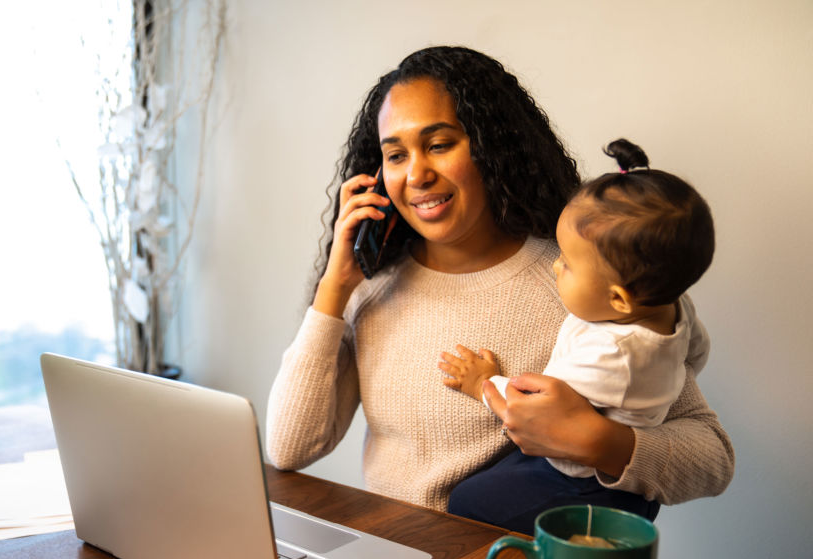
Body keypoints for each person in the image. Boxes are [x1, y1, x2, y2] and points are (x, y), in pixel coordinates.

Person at [265, 46, 733, 524]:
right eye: (396, 155)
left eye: (440, 144)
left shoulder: (584, 284)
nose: (417, 174)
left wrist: (596, 441)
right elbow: (290, 448)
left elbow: (712, 458)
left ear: (490, 146)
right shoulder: (369, 292)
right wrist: (334, 289)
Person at [440, 139, 714, 531]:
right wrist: (661, 385)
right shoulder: (673, 307)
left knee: (468, 500)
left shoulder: (612, 355)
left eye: (567, 263)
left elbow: (532, 413)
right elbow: (696, 353)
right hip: (573, 464)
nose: (555, 265)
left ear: (618, 299)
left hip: (579, 480)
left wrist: (482, 383)